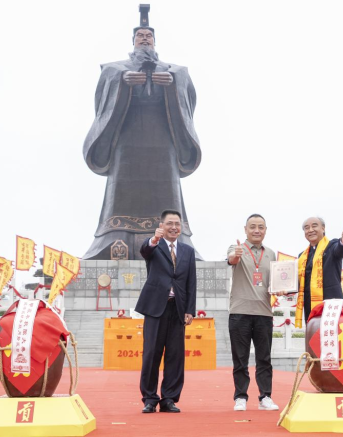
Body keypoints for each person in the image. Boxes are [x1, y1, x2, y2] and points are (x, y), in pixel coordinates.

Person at [82, 15, 201, 261]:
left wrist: (172, 85)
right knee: (122, 188)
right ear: (133, 41)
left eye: (148, 36)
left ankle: (173, 236)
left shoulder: (174, 71)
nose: (144, 39)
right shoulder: (114, 69)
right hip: (127, 140)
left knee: (167, 191)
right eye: (140, 36)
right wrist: (122, 84)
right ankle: (117, 236)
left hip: (162, 140)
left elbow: (188, 101)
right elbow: (101, 104)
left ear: (155, 42)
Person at [135, 209, 197, 413]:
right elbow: (145, 250)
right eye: (169, 223)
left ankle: (169, 398)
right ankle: (150, 398)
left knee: (175, 355)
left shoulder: (188, 251)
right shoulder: (154, 245)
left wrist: (190, 310)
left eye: (177, 224)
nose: (174, 227)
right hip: (155, 308)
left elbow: (190, 282)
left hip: (177, 308)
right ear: (161, 225)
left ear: (182, 227)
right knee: (152, 353)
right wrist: (154, 238)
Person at [227, 214, 283, 412]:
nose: (256, 230)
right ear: (245, 229)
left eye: (260, 227)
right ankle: (240, 397)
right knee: (240, 359)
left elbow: (274, 282)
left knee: (264, 358)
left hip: (264, 313)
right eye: (252, 227)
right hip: (239, 312)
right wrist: (237, 255)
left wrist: (282, 288)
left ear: (265, 230)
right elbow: (231, 260)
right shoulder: (236, 248)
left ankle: (265, 397)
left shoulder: (270, 254)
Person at [295, 217, 343, 328]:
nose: (310, 230)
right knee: (313, 341)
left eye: (314, 226)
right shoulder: (302, 256)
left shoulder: (331, 246)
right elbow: (298, 283)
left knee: (332, 340)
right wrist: (284, 289)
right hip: (310, 306)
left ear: (323, 228)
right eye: (306, 228)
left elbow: (339, 250)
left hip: (331, 305)